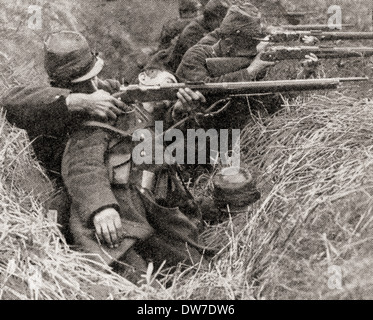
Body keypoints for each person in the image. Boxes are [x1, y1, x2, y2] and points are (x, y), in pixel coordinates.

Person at [50, 33, 217, 282]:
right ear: (142, 79)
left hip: (151, 215)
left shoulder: (150, 119)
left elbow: (172, 159)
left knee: (199, 271)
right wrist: (101, 207)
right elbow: (82, 164)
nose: (172, 89)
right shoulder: (109, 110)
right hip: (118, 220)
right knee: (135, 281)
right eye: (168, 81)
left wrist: (184, 114)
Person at [166, 0, 231, 72]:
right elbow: (199, 59)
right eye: (223, 20)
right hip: (182, 73)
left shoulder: (210, 27)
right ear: (213, 19)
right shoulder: (193, 32)